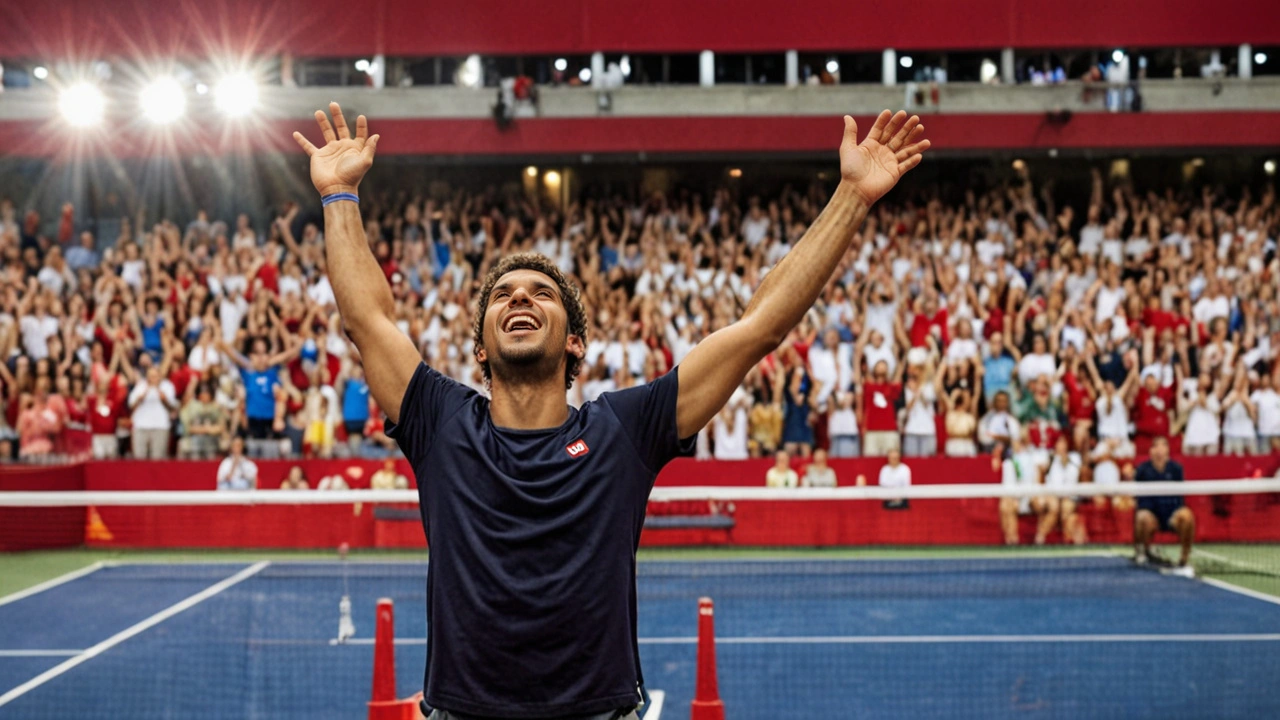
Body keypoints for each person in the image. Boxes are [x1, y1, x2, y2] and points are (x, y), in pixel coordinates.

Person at [293, 102, 928, 718]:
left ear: (574, 340)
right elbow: (365, 319)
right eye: (503, 296)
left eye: (542, 293)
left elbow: (758, 326)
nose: (521, 298)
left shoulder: (624, 429)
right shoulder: (440, 420)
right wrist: (339, 197)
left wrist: (852, 197)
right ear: (480, 347)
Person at [1132, 436, 1195, 574]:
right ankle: (1142, 551)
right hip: (1151, 514)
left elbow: (1180, 496)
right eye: (1156, 446)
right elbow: (1136, 497)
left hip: (1171, 514)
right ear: (1151, 451)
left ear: (1168, 450)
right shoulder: (1142, 469)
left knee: (1187, 516)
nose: (1160, 449)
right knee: (1142, 517)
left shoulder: (1176, 469)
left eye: (1163, 446)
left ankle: (1184, 558)